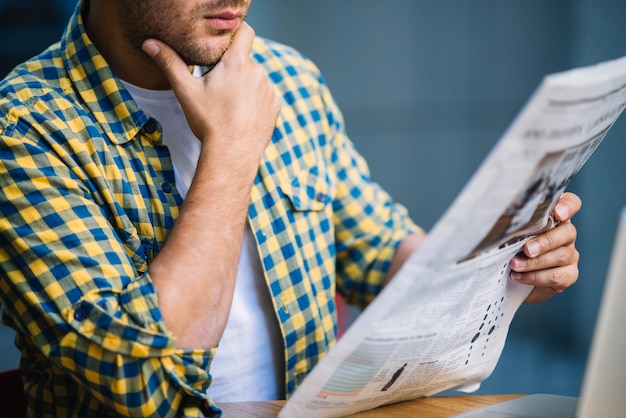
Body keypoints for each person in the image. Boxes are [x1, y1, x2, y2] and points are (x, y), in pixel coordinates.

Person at [0, 0, 581, 416]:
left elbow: (381, 254)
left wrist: (509, 260)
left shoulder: (288, 79)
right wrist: (231, 149)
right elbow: (144, 380)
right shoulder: (25, 129)